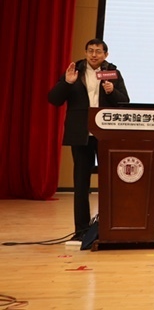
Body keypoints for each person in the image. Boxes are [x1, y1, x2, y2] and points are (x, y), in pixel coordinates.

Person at [48, 38, 129, 240]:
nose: (94, 55)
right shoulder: (74, 71)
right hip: (81, 134)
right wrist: (67, 83)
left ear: (105, 54)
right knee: (81, 184)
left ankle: (108, 226)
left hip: (105, 135)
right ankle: (81, 230)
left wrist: (112, 92)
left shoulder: (112, 72)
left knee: (109, 182)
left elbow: (124, 101)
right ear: (85, 53)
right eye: (90, 51)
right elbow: (54, 99)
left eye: (98, 51)